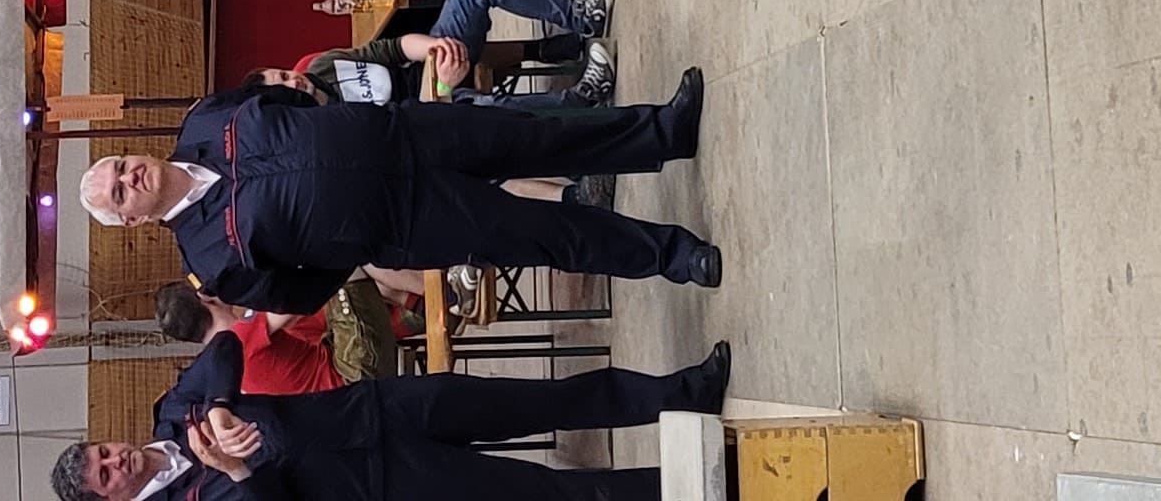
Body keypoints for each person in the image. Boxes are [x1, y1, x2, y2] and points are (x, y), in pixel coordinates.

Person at [78, 67, 720, 310]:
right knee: (546, 235)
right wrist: (352, 237)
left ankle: (664, 132)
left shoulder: (203, 120)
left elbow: (282, 100)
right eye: (120, 193)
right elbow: (299, 292)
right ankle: (674, 256)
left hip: (407, 135)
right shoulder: (210, 261)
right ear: (132, 221)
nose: (130, 177)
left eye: (121, 166)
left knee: (542, 136)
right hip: (409, 222)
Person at [51, 340, 732, 501]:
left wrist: (221, 407)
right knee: (548, 491)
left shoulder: (175, 412)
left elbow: (225, 348)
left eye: (104, 451)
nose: (117, 460)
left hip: (380, 408)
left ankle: (685, 392)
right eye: (106, 475)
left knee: (542, 400)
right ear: (109, 499)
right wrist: (237, 472)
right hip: (386, 481)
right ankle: (699, 484)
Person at [300, 0, 619, 107]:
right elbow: (407, 130)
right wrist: (442, 88)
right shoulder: (325, 128)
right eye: (285, 85)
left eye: (284, 75)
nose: (294, 81)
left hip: (432, 66)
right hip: (435, 112)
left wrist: (434, 47)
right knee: (483, 111)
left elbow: (391, 48)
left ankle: (582, 18)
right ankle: (583, 98)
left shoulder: (321, 67)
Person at [154, 281, 350, 395]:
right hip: (344, 374)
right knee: (348, 274)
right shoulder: (239, 336)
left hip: (335, 396)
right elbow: (292, 299)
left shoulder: (219, 366)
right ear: (205, 298)